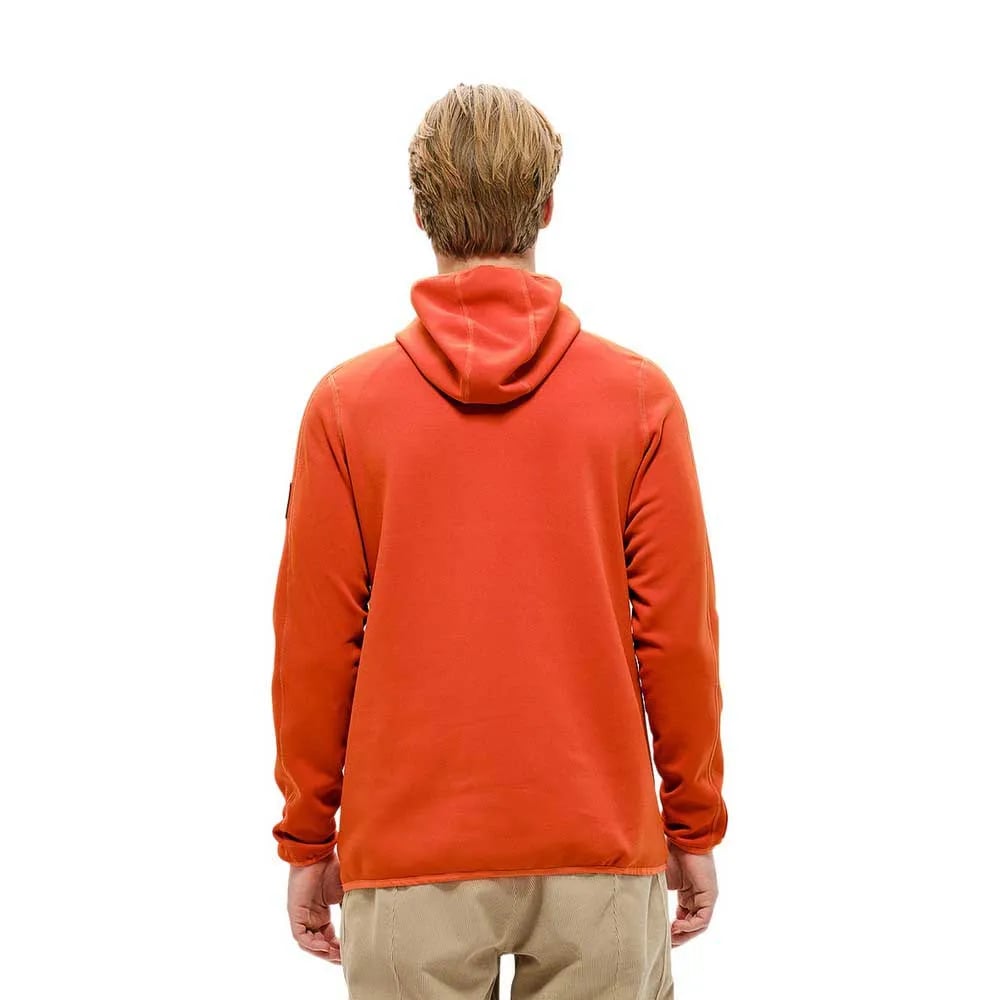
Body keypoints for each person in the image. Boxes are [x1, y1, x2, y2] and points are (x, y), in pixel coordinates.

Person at [270, 82, 727, 999]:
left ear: (420, 215)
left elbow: (316, 647)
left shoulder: (347, 409)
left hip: (408, 852)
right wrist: (692, 827)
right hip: (600, 841)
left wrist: (309, 839)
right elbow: (677, 639)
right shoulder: (638, 401)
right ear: (547, 206)